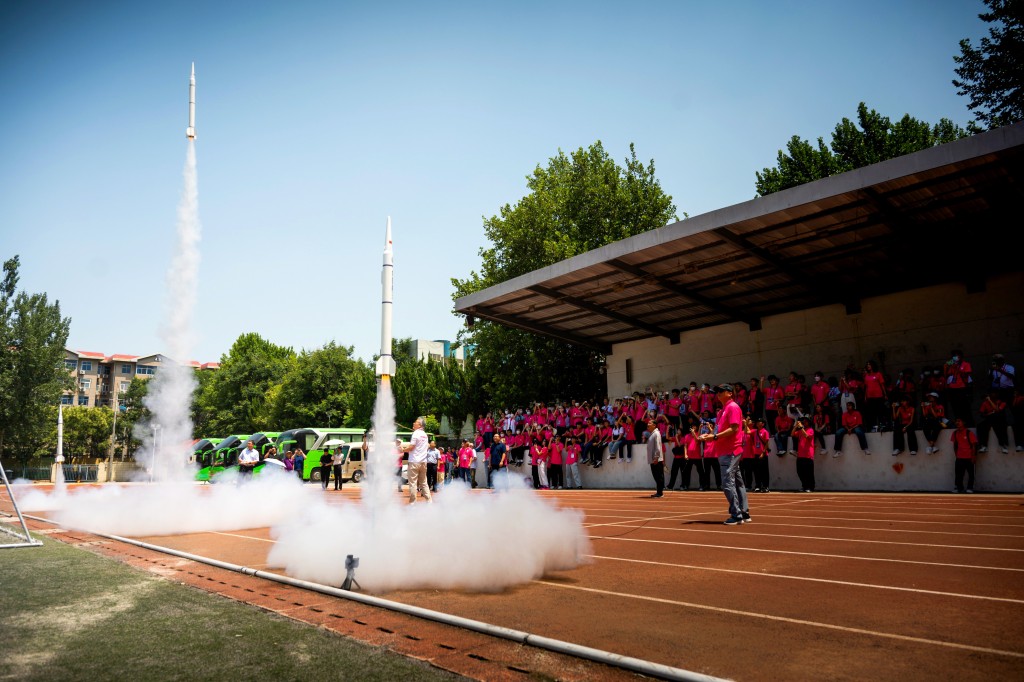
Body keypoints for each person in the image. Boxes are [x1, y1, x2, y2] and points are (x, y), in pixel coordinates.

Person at [698, 384, 749, 525]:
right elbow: (720, 430)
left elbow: (734, 428)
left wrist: (714, 437)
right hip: (725, 450)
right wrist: (710, 435)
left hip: (730, 450)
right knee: (737, 482)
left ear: (730, 393)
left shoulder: (732, 407)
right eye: (717, 392)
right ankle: (744, 512)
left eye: (721, 391)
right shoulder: (723, 410)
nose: (718, 394)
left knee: (727, 482)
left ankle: (736, 515)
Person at [402, 418, 432, 503]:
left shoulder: (415, 433)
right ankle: (429, 501)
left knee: (413, 483)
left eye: (415, 422)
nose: (413, 423)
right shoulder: (425, 435)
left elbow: (411, 447)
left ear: (419, 425)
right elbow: (427, 446)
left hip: (414, 461)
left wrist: (403, 450)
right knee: (424, 483)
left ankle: (413, 503)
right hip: (423, 462)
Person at [944, 349, 973, 426]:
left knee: (964, 407)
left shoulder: (966, 364)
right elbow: (946, 375)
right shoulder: (951, 365)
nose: (955, 358)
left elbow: (966, 375)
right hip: (952, 389)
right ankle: (959, 423)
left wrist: (957, 368)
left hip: (962, 388)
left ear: (961, 356)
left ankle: (969, 423)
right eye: (953, 356)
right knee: (955, 407)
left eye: (957, 356)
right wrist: (947, 367)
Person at [950, 417, 978, 493]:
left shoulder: (969, 433)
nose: (957, 423)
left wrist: (974, 457)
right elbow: (955, 445)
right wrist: (957, 455)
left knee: (971, 474)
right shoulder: (955, 433)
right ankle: (959, 488)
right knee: (958, 474)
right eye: (956, 421)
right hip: (959, 457)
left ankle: (970, 488)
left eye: (959, 421)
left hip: (969, 457)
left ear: (964, 423)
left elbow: (974, 445)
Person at [792, 417, 815, 492]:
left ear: (808, 422)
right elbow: (792, 434)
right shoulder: (800, 431)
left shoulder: (810, 430)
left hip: (808, 455)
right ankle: (804, 485)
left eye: (805, 421)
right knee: (800, 471)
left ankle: (810, 487)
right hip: (800, 454)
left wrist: (801, 427)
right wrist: (796, 426)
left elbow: (807, 436)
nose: (804, 422)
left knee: (808, 472)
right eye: (803, 421)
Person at [646, 419, 666, 498]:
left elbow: (658, 447)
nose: (648, 424)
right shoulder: (652, 434)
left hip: (656, 460)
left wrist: (656, 458)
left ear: (654, 425)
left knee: (658, 476)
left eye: (649, 423)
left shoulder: (656, 434)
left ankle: (660, 493)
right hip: (653, 459)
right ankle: (658, 491)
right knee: (656, 476)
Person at [751, 417, 771, 493]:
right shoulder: (755, 431)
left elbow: (766, 443)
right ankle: (758, 486)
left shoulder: (765, 432)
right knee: (757, 471)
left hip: (763, 454)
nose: (758, 423)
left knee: (764, 471)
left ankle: (766, 486)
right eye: (757, 422)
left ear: (763, 424)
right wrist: (746, 423)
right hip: (756, 453)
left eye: (760, 422)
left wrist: (763, 452)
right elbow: (747, 431)